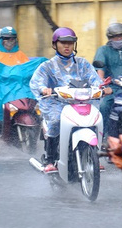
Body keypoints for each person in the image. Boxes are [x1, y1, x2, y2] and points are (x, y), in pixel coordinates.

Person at [29, 27, 111, 173]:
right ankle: (50, 158)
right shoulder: (47, 66)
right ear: (55, 45)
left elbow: (95, 79)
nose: (67, 46)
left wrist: (103, 88)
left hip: (82, 101)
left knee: (95, 118)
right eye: (63, 43)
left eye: (70, 43)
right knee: (55, 121)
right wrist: (44, 89)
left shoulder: (82, 63)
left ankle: (93, 155)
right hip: (57, 103)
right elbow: (36, 82)